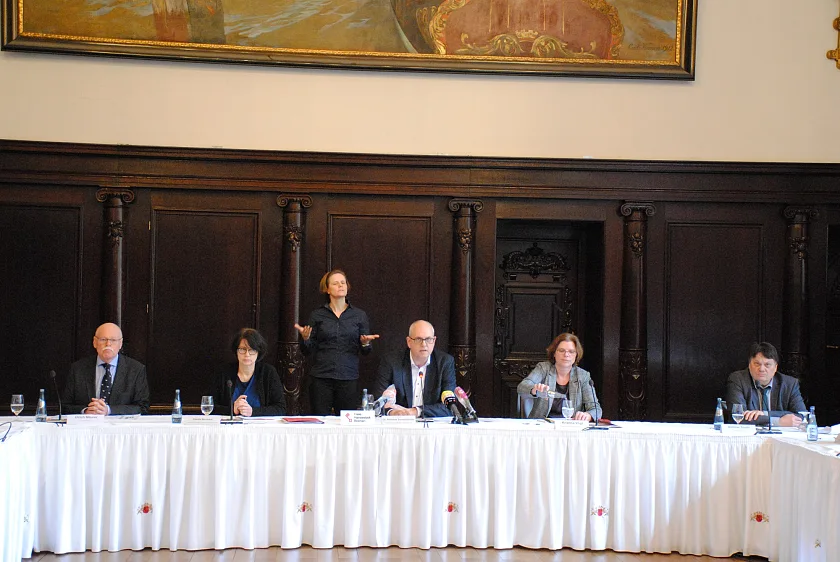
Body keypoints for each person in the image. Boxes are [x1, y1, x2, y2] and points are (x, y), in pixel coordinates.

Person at [295, 269, 379, 415]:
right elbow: (307, 351)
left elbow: (366, 352)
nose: (341, 285)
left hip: (348, 376)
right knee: (320, 421)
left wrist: (365, 343)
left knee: (346, 422)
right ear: (327, 289)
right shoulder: (317, 315)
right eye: (335, 283)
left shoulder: (359, 315)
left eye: (343, 282)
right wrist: (306, 338)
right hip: (321, 377)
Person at [372, 320, 456, 417]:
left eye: (428, 339)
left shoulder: (445, 362)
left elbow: (450, 406)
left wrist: (415, 411)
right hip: (398, 424)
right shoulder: (391, 362)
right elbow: (378, 400)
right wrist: (392, 412)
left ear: (434, 341)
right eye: (418, 339)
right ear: (409, 342)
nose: (424, 344)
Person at [63, 322, 150, 415]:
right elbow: (65, 406)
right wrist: (85, 411)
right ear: (94, 342)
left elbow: (142, 407)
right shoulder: (78, 368)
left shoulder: (136, 369)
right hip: (87, 426)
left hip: (120, 427)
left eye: (113, 340)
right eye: (103, 339)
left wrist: (108, 410)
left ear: (120, 344)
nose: (108, 344)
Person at [517, 332, 601, 421]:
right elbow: (521, 387)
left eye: (571, 351)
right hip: (542, 426)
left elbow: (596, 409)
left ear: (576, 355)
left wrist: (588, 415)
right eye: (561, 350)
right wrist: (534, 390)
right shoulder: (543, 368)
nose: (566, 355)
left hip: (571, 428)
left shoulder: (583, 376)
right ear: (554, 353)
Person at [725, 342, 805, 427]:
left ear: (775, 367)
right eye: (757, 364)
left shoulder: (789, 384)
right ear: (749, 365)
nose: (762, 369)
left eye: (767, 365)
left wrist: (764, 413)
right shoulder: (738, 380)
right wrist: (777, 421)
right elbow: (738, 417)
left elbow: (801, 415)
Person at [213, 328, 286, 417]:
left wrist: (253, 411)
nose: (247, 354)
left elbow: (280, 408)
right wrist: (232, 409)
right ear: (236, 351)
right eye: (243, 349)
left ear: (258, 352)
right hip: (228, 428)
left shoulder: (268, 372)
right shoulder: (224, 373)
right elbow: (209, 407)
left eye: (252, 350)